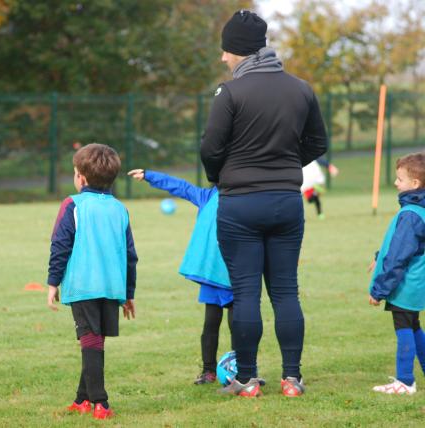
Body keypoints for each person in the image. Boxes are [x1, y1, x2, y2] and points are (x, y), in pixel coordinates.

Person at [200, 10, 327, 397]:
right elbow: (318, 144)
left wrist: (221, 176)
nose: (223, 58)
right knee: (287, 291)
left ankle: (247, 380)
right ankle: (292, 379)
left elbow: (210, 148)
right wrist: (286, 166)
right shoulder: (301, 89)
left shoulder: (231, 92)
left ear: (238, 50)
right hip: (288, 202)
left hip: (241, 205)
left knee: (246, 293)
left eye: (226, 51)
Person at [46, 143, 138, 420]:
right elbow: (130, 256)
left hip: (84, 286)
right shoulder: (120, 209)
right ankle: (81, 400)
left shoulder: (72, 204)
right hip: (112, 287)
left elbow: (60, 245)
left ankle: (101, 402)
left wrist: (52, 283)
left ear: (81, 178)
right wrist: (128, 293)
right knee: (94, 341)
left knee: (90, 341)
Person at [128, 168, 233, 385]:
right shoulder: (208, 196)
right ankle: (208, 371)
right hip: (211, 275)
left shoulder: (242, 198)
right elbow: (180, 187)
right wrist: (149, 175)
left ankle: (244, 369)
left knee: (239, 326)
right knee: (210, 324)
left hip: (234, 275)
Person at [369, 152, 425, 395]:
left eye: (399, 179)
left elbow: (399, 255)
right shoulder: (418, 210)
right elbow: (400, 245)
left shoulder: (411, 213)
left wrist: (378, 290)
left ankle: (405, 381)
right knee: (413, 326)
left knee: (403, 326)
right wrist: (377, 257)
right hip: (417, 284)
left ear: (415, 184)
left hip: (406, 285)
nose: (395, 183)